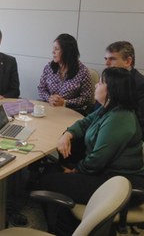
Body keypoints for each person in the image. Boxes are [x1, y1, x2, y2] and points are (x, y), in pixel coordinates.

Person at [40, 67, 144, 235]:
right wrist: (67, 134)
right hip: (108, 173)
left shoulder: (120, 118)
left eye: (101, 82)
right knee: (52, 170)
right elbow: (84, 122)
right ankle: (69, 222)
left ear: (113, 90)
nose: (96, 84)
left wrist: (75, 171)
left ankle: (66, 229)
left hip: (120, 183)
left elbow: (98, 160)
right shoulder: (109, 109)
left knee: (48, 180)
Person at [37, 33, 93, 115]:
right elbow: (41, 89)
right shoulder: (49, 67)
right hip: (49, 109)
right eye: (53, 48)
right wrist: (49, 98)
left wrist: (65, 102)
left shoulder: (83, 71)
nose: (53, 52)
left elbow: (86, 98)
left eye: (56, 49)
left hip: (71, 112)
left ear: (67, 52)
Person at [104, 41, 144, 139]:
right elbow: (97, 109)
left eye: (112, 59)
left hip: (121, 136)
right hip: (103, 126)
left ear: (128, 61)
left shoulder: (140, 84)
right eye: (105, 59)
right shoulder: (109, 78)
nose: (106, 63)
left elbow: (139, 122)